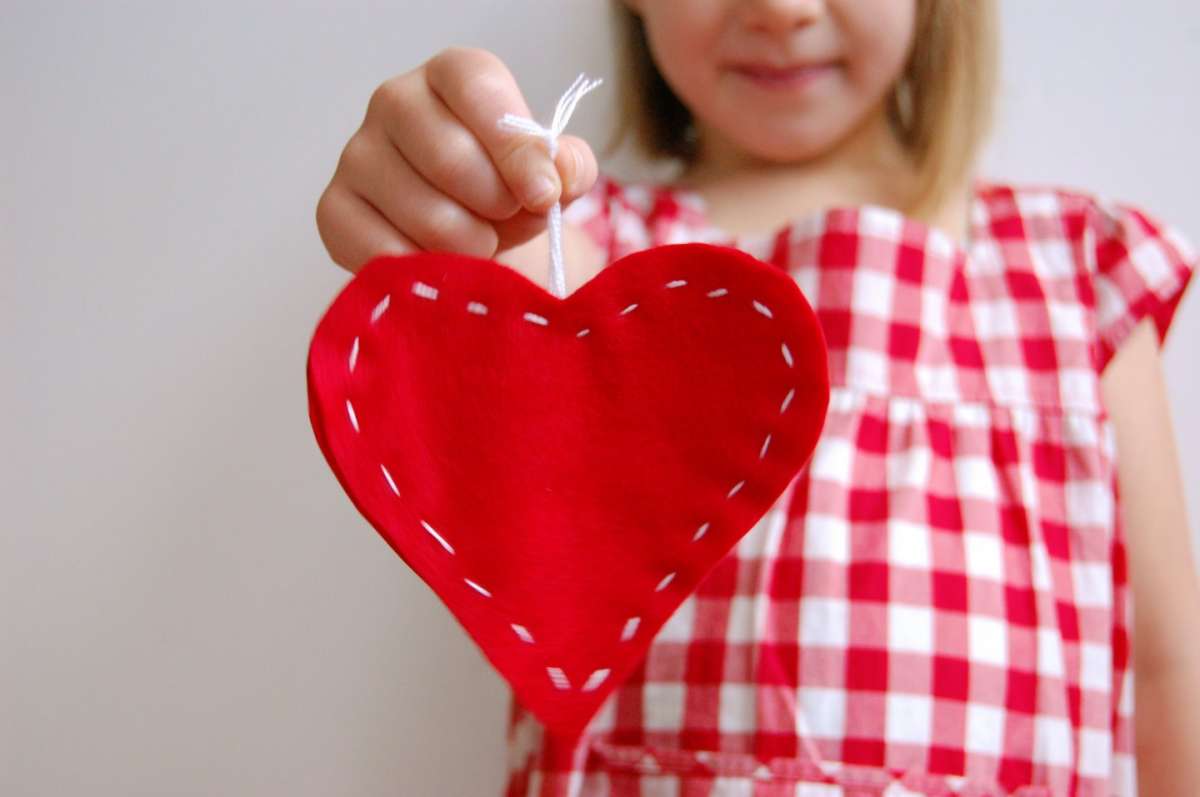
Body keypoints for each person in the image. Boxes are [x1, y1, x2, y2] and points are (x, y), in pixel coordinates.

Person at [313, 1, 1200, 794]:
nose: (779, 10)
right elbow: (514, 329)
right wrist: (452, 191)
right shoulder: (591, 259)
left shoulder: (1075, 278)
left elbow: (1166, 673)